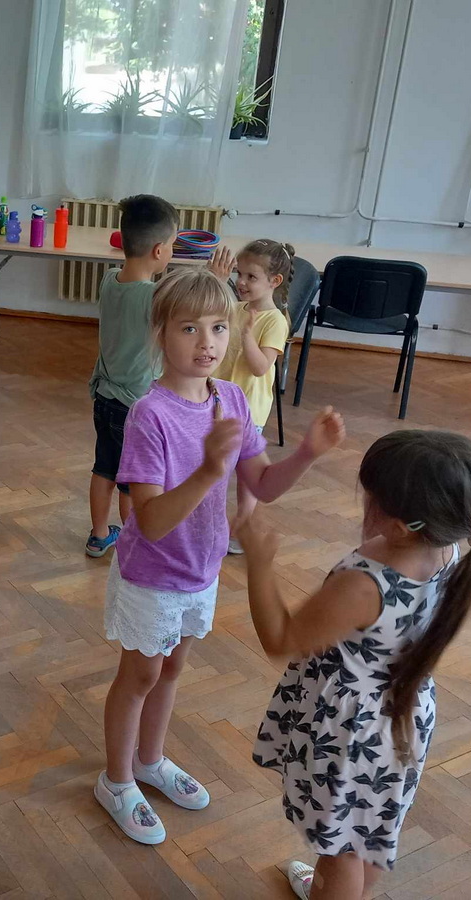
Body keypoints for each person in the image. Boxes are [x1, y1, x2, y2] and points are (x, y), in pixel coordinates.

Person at [95, 267, 345, 844]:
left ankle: (150, 761)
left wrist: (306, 452)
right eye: (189, 328)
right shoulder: (149, 414)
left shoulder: (230, 399)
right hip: (151, 574)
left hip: (199, 570)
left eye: (218, 327)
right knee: (141, 674)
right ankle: (115, 779)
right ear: (160, 332)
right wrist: (210, 470)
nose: (206, 341)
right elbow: (149, 521)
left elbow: (264, 484)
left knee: (173, 668)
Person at [243, 430, 471, 899]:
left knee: (339, 851)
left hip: (349, 728)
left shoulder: (365, 585)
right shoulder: (451, 552)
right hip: (402, 714)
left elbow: (281, 639)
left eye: (371, 497)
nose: (365, 503)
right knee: (369, 832)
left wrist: (258, 564)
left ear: (401, 526)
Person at [86, 195, 235, 558]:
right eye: (171, 245)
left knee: (103, 470)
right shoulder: (153, 297)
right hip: (133, 405)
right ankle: (137, 542)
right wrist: (214, 280)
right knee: (132, 482)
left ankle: (99, 535)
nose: (171, 252)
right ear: (158, 251)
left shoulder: (109, 280)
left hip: (104, 397)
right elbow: (186, 308)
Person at [219, 239, 295, 555]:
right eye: (239, 274)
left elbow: (261, 366)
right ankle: (209, 522)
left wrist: (247, 335)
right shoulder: (236, 308)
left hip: (248, 412)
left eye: (251, 277)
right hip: (220, 405)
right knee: (216, 468)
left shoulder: (275, 320)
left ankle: (242, 527)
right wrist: (215, 281)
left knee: (247, 477)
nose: (241, 282)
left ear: (274, 281)